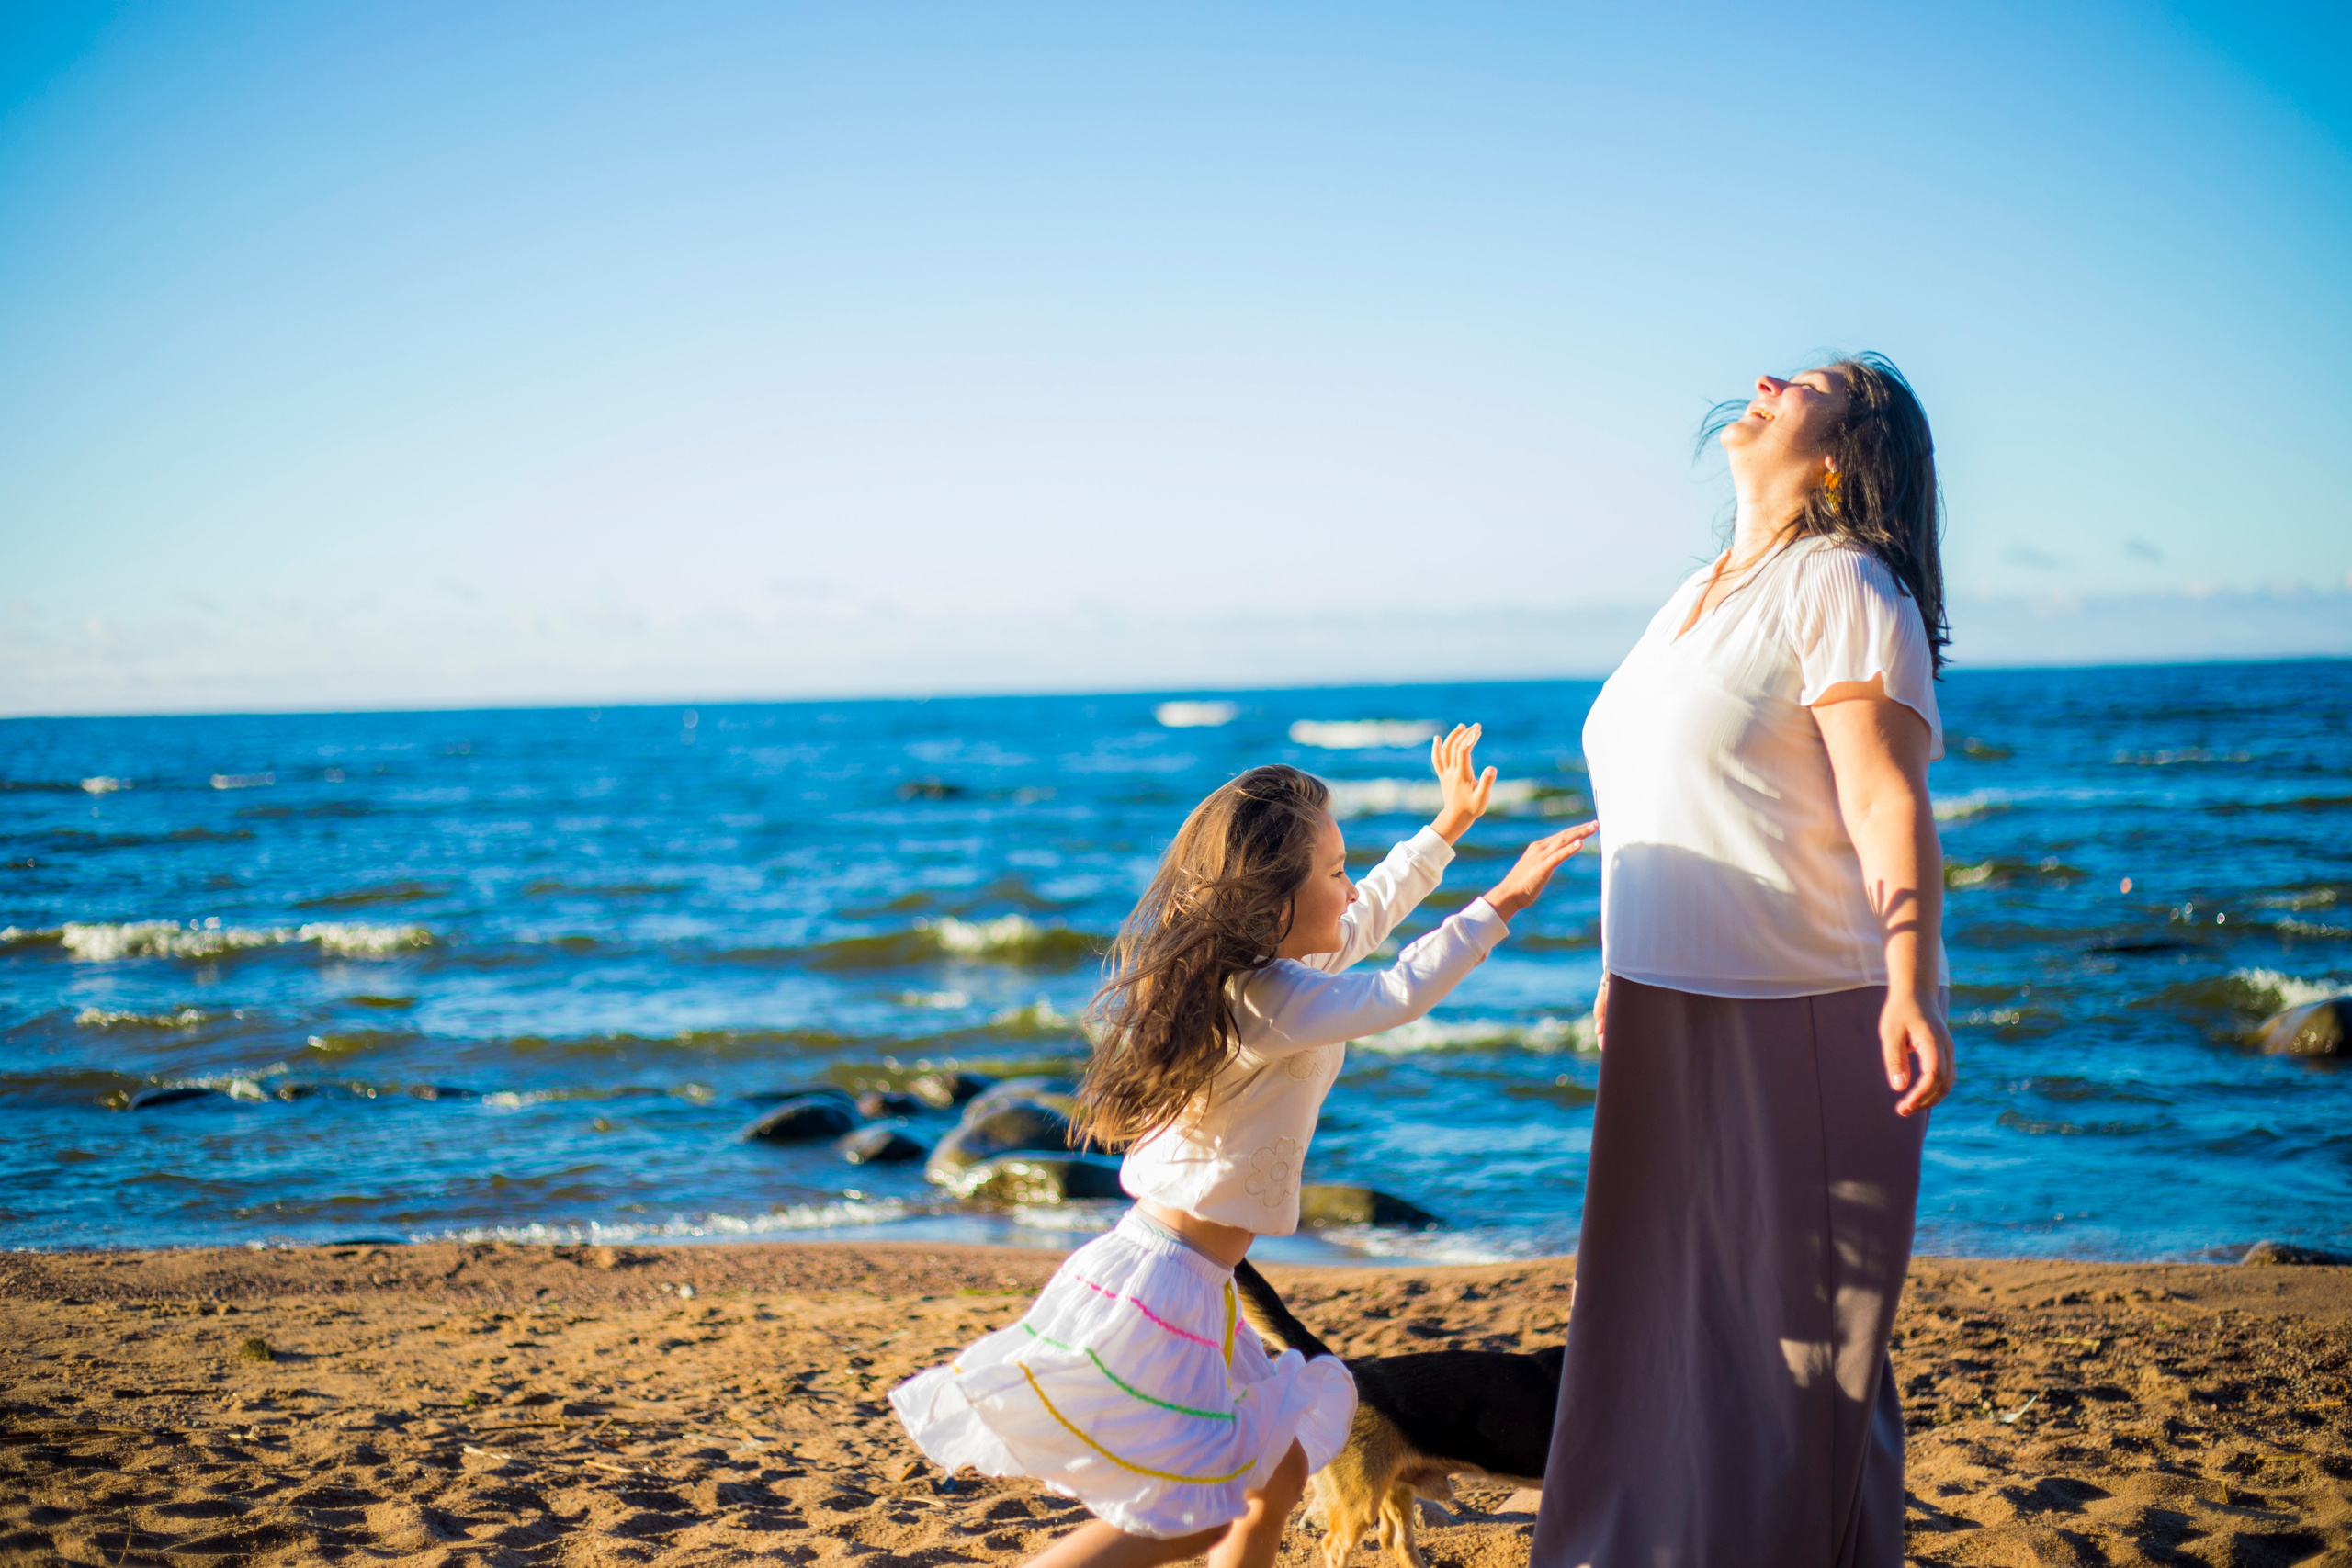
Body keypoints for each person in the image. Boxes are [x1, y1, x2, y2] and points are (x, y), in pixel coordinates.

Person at [895, 728, 1597, 1568]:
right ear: (1273, 901)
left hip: (1194, 1280)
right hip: (1170, 1285)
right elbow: (1399, 991)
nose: (1349, 884)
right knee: (1193, 1513)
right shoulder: (1269, 997)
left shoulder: (1264, 974)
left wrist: (1443, 831)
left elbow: (1364, 917)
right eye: (1334, 870)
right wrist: (1502, 904)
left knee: (1278, 1477)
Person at [1532, 354, 1958, 1567]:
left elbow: (1884, 793)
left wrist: (1911, 976)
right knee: (1664, 1333)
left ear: (1844, 451)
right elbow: (1670, 791)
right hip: (1670, 1000)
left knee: (1802, 1361)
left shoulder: (1843, 582)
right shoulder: (1698, 590)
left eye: (1810, 383)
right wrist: (1622, 962)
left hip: (1805, 1004)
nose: (1767, 378)